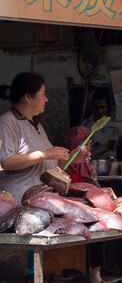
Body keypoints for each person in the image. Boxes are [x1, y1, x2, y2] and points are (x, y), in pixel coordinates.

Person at [0, 72, 70, 203]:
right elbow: (5, 162)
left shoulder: (36, 125)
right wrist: (43, 154)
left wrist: (70, 158)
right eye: (43, 93)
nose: (46, 99)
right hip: (17, 202)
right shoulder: (6, 123)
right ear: (27, 96)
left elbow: (49, 164)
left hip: (38, 200)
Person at [65, 126, 108, 283]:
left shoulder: (88, 164)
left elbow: (93, 185)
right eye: (84, 144)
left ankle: (96, 272)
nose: (88, 149)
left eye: (89, 144)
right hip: (68, 207)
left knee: (99, 228)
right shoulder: (64, 161)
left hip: (87, 205)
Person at [84, 95, 122, 161]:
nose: (100, 111)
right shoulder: (86, 126)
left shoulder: (117, 125)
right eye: (96, 108)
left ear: (107, 108)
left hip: (113, 163)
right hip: (92, 164)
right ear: (92, 109)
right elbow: (83, 152)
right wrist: (105, 148)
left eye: (103, 108)